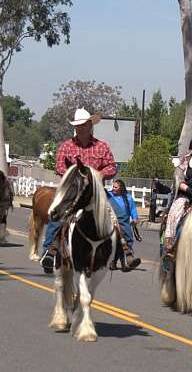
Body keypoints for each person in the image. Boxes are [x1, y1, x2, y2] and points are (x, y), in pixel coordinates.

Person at [40, 108, 116, 273]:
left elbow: (112, 167)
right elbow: (60, 166)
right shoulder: (66, 146)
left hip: (95, 193)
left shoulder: (102, 146)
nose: (80, 128)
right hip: (73, 191)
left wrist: (99, 174)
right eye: (77, 125)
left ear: (90, 125)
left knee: (120, 213)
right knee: (57, 213)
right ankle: (49, 251)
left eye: (83, 125)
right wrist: (74, 174)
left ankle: (123, 250)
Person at [107, 179, 141, 271]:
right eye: (113, 186)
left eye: (115, 187)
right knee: (117, 243)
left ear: (121, 188)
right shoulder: (108, 195)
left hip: (125, 223)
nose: (113, 188)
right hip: (112, 223)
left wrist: (135, 218)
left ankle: (121, 263)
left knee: (126, 241)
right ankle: (119, 263)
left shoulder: (128, 198)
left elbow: (133, 210)